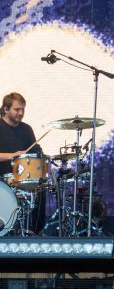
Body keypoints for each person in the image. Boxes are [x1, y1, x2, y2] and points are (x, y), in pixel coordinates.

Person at [0, 92, 46, 232]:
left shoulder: (26, 129)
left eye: (23, 109)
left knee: (42, 190)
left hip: (21, 179)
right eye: (17, 109)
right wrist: (12, 155)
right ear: (6, 109)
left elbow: (37, 152)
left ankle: (34, 232)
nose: (21, 113)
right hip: (2, 180)